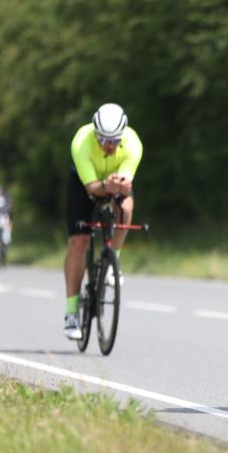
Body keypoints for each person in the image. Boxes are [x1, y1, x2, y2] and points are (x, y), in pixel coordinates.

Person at [63, 103, 142, 340]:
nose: (108, 145)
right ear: (94, 133)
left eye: (114, 140)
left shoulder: (133, 144)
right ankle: (71, 313)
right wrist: (107, 185)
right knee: (79, 241)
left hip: (114, 181)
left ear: (122, 136)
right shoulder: (81, 142)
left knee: (126, 208)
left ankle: (113, 257)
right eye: (102, 140)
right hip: (85, 184)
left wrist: (119, 185)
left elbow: (126, 182)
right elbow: (91, 188)